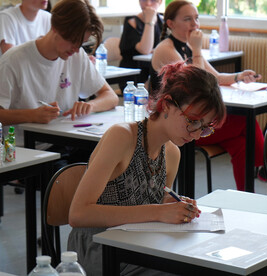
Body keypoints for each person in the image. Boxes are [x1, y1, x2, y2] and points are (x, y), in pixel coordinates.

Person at [68, 61, 225, 275]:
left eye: (205, 128)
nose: (197, 134)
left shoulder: (171, 153)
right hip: (100, 247)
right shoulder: (122, 137)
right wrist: (159, 212)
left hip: (138, 241)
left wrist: (171, 204)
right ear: (167, 105)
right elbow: (78, 215)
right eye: (193, 121)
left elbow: (148, 202)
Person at [150, 0, 264, 191]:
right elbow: (199, 87)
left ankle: (246, 195)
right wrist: (196, 50)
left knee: (241, 144)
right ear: (170, 23)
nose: (194, 24)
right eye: (187, 19)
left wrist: (238, 76)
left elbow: (215, 77)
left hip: (196, 119)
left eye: (196, 18)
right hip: (178, 124)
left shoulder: (188, 46)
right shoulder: (166, 49)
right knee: (245, 122)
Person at [0, 0, 119, 163]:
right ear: (55, 28)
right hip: (30, 148)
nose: (76, 49)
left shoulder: (76, 55)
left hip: (68, 140)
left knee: (113, 159)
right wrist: (33, 115)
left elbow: (110, 96)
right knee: (71, 177)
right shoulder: (14, 60)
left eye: (81, 43)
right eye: (72, 41)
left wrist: (90, 106)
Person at [118, 0, 163, 91]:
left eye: (153, 0)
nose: (148, 4)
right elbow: (145, 49)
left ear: (160, 2)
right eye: (143, 0)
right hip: (133, 76)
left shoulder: (162, 20)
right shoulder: (132, 21)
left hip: (153, 71)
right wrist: (149, 21)